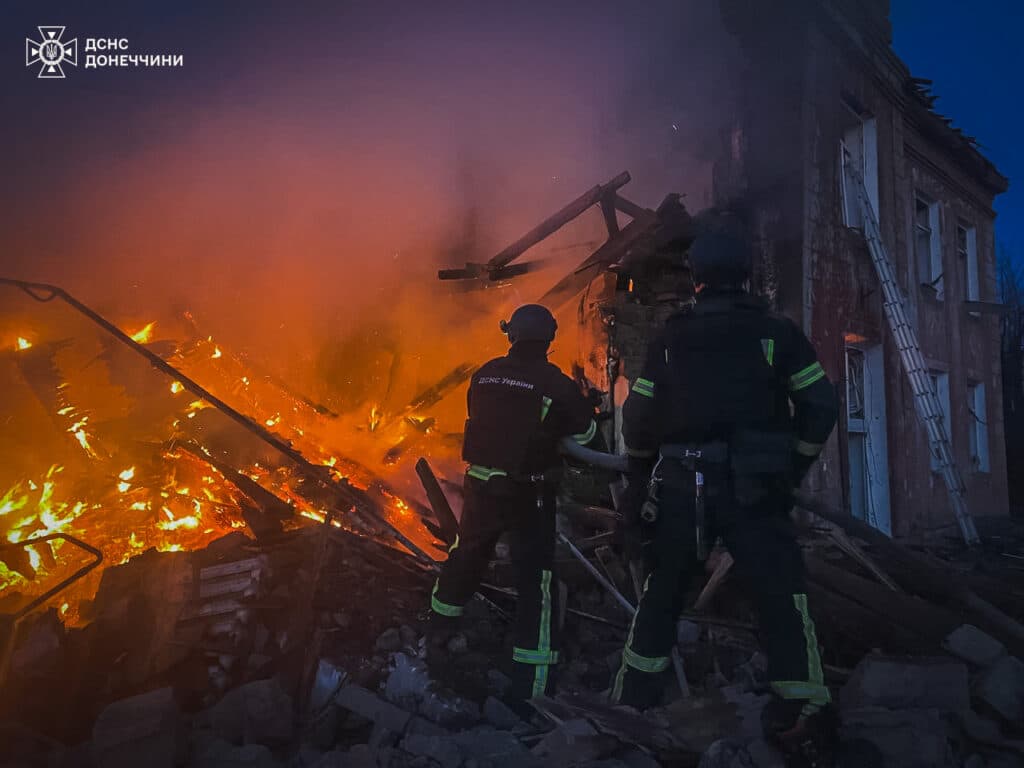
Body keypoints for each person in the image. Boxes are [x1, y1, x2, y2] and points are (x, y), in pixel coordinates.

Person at [611, 225, 839, 754]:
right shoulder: (776, 333)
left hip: (681, 488)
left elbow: (638, 415)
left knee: (662, 593)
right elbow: (820, 406)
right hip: (756, 491)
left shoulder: (671, 337)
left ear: (696, 277)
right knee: (781, 594)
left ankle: (630, 706)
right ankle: (802, 711)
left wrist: (639, 478)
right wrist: (791, 469)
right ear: (746, 274)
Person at [428, 303, 597, 706]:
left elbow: (485, 421)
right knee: (536, 579)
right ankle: (532, 687)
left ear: (512, 335)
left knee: (466, 556)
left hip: (480, 486)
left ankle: (435, 636)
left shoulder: (484, 374)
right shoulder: (556, 384)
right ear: (549, 338)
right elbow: (588, 438)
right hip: (528, 493)